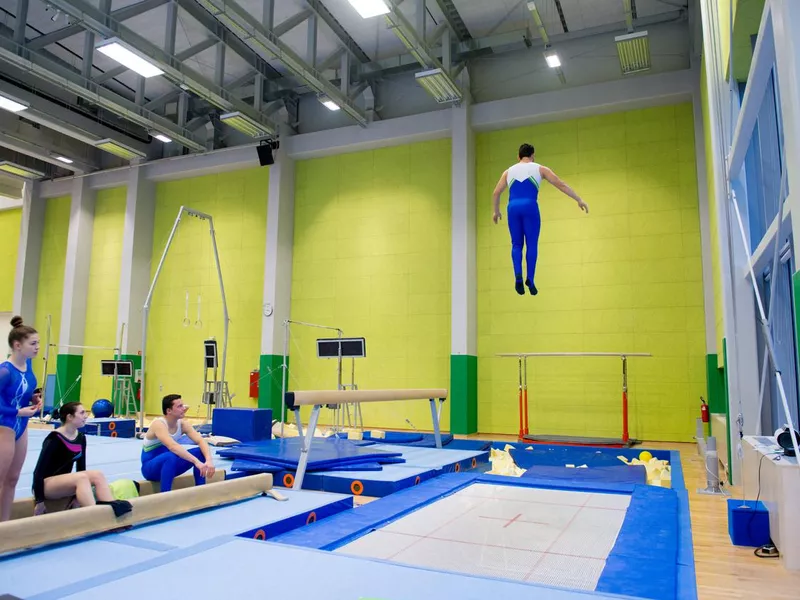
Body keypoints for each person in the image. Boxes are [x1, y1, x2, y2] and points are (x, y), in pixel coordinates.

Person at [492, 143, 589, 295]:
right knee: (532, 244)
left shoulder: (508, 172)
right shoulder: (540, 168)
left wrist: (496, 211)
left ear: (518, 157)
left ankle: (518, 274)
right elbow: (560, 184)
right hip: (530, 206)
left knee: (516, 244)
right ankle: (530, 278)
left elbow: (496, 193)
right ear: (533, 155)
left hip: (513, 208)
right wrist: (578, 199)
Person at [31, 402, 132, 517]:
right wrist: (39, 501)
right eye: (82, 412)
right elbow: (38, 471)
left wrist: (78, 496)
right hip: (46, 486)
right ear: (69, 417)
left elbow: (81, 467)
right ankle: (97, 517)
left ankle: (112, 512)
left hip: (65, 483)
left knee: (97, 474)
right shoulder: (54, 438)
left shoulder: (80, 437)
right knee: (82, 477)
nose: (86, 416)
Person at [0, 316, 42, 522]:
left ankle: (5, 525)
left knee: (13, 478)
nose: (38, 348)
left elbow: (23, 391)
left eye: (38, 343)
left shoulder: (29, 366)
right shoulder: (5, 371)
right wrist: (17, 412)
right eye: (33, 344)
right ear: (17, 345)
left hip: (22, 425)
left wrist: (33, 398)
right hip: (5, 424)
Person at [141, 394, 216, 493]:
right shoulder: (158, 424)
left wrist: (209, 461)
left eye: (183, 405)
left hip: (170, 466)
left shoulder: (183, 424)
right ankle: (165, 493)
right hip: (151, 469)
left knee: (200, 451)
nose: (183, 408)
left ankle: (200, 489)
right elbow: (173, 446)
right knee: (170, 456)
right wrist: (196, 462)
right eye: (179, 406)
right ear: (169, 411)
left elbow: (201, 441)